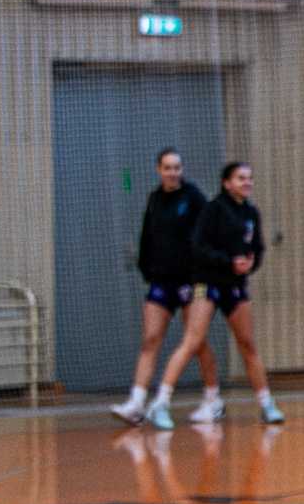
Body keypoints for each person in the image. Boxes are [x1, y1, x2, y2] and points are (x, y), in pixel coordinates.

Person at [149, 162, 280, 429]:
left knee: (248, 344)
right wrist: (228, 261)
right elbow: (198, 246)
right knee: (193, 341)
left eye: (249, 178)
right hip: (207, 283)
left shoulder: (251, 213)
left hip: (235, 286)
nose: (247, 182)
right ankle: (160, 403)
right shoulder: (214, 209)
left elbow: (257, 249)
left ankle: (267, 404)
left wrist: (250, 264)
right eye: (241, 178)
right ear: (227, 183)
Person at [112, 149, 221, 424]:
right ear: (158, 170)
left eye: (176, 167)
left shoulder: (193, 197)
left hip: (191, 282)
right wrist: (146, 268)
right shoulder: (155, 199)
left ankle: (213, 399)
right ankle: (136, 404)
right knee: (150, 340)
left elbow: (209, 232)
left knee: (197, 341)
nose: (172, 172)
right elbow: (146, 237)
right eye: (167, 168)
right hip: (161, 281)